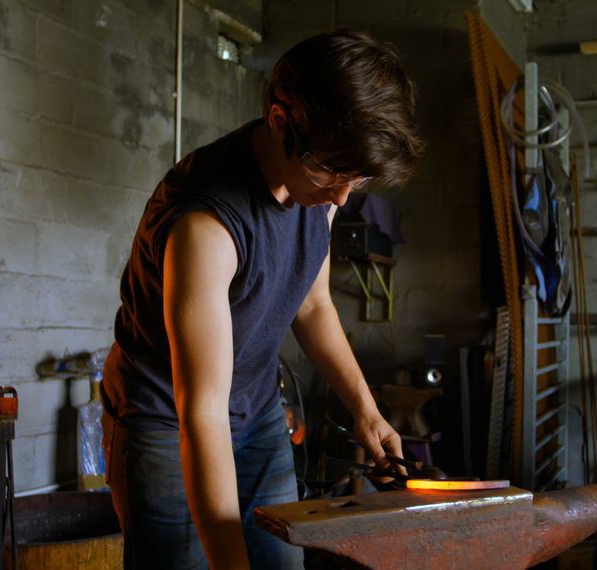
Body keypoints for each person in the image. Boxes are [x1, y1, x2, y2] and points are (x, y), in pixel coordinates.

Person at [100, 30, 425, 569]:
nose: (343, 198)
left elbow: (314, 303)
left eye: (356, 179)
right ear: (280, 123)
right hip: (165, 420)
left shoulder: (318, 181)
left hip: (256, 412)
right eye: (333, 174)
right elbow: (200, 413)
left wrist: (365, 412)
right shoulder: (206, 226)